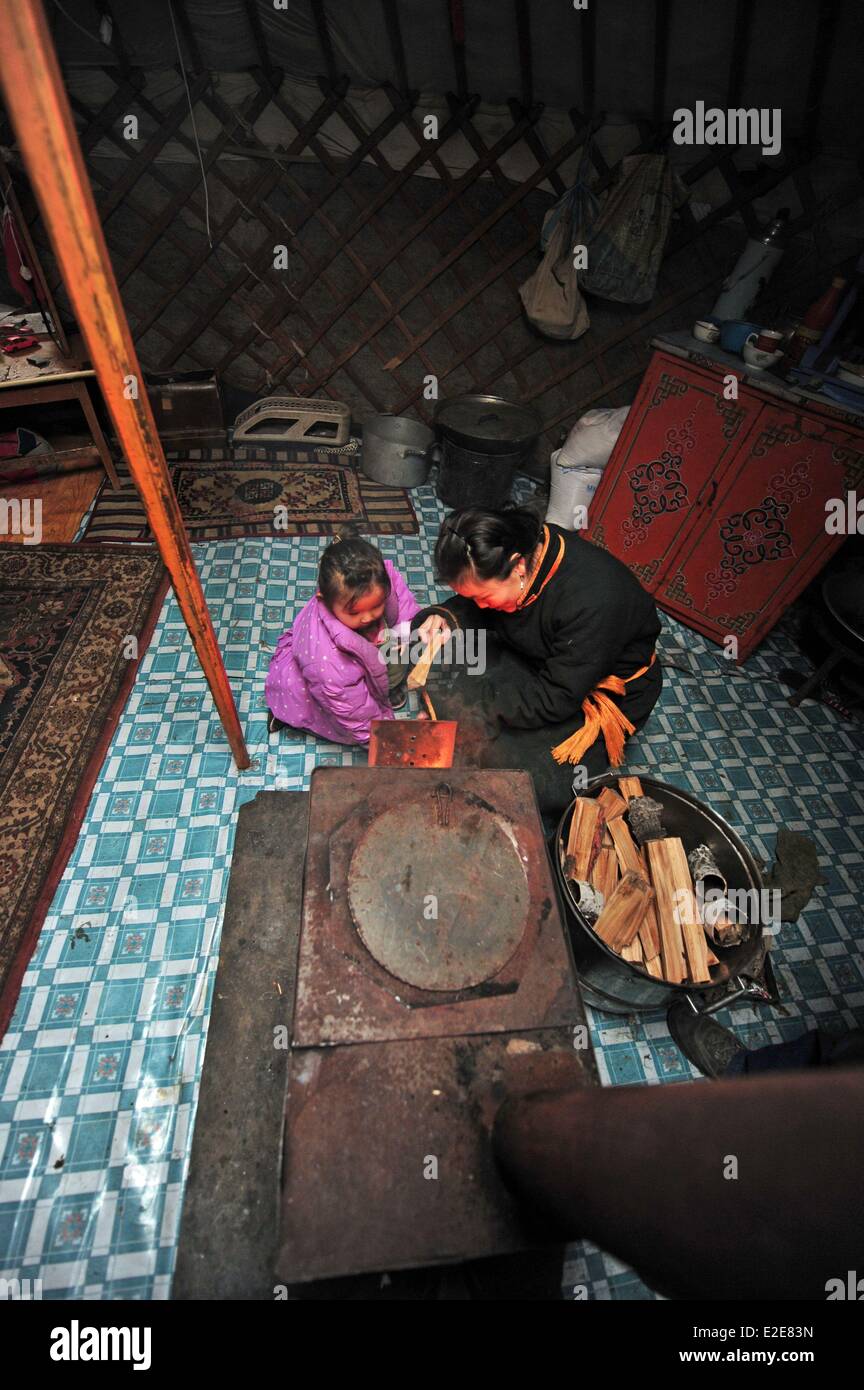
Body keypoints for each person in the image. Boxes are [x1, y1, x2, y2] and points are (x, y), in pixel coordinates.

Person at [416, 506, 664, 821]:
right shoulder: (512, 554)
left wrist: (481, 708)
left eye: (484, 596)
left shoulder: (595, 601)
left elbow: (556, 697)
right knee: (442, 654)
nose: (478, 604)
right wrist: (447, 615)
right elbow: (476, 599)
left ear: (518, 566)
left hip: (591, 692)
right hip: (539, 656)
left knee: (527, 780)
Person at [265, 533, 430, 745]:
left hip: (368, 663)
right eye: (355, 613)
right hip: (327, 691)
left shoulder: (378, 580)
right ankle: (286, 717)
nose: (368, 617)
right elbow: (353, 711)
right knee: (333, 720)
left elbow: (400, 602)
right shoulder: (326, 660)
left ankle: (388, 688)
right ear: (325, 601)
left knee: (395, 653)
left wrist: (410, 628)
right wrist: (378, 737)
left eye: (376, 606)